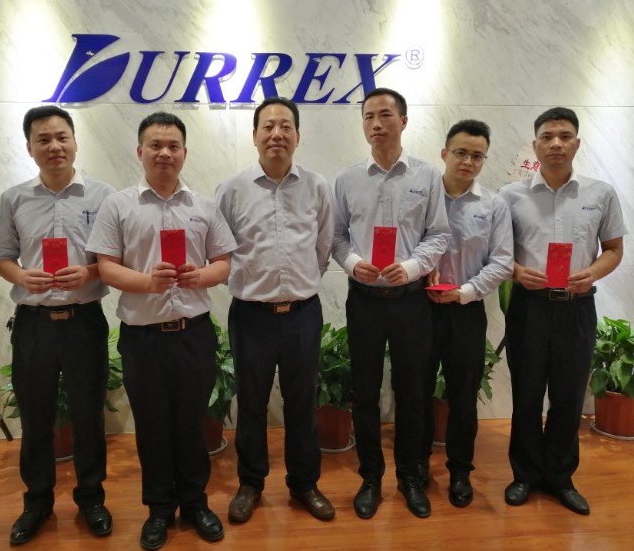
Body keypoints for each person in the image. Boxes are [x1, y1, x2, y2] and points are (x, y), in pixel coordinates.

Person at [86, 112, 236, 550]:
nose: (165, 153)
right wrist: (147, 282)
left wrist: (200, 276)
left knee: (192, 422)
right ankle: (158, 509)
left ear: (185, 153)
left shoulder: (204, 206)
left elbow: (224, 263)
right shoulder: (118, 205)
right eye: (155, 145)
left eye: (173, 146)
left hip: (193, 333)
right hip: (143, 338)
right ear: (140, 151)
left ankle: (195, 503)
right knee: (151, 425)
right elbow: (106, 266)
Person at [0, 106, 116, 544]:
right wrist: (21, 276)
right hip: (34, 323)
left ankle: (91, 498)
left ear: (75, 141)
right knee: (36, 417)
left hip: (85, 321)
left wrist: (90, 272)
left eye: (62, 136)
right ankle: (37, 503)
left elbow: (115, 258)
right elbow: (2, 257)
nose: (54, 146)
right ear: (29, 148)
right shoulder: (13, 199)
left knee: (88, 415)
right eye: (43, 139)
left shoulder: (103, 197)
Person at [499, 107, 626, 515]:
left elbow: (614, 249)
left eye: (565, 136)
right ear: (535, 144)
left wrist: (592, 273)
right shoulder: (510, 195)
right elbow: (497, 253)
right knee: (527, 394)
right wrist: (517, 271)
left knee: (569, 397)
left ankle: (560, 477)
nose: (556, 143)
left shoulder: (600, 193)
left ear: (577, 143)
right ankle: (524, 475)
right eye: (548, 136)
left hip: (577, 308)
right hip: (529, 308)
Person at [215, 97, 335, 523]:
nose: (277, 134)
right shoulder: (232, 189)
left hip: (303, 313)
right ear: (254, 136)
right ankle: (251, 483)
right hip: (251, 316)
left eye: (286, 126)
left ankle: (304, 483)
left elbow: (323, 247)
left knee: (302, 401)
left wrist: (299, 284)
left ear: (298, 135)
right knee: (251, 402)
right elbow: (219, 249)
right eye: (268, 126)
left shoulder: (317, 187)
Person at [332, 87, 450, 519]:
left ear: (403, 121)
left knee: (412, 391)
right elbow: (336, 236)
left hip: (410, 301)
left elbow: (439, 234)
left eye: (385, 115)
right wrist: (352, 263)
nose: (376, 124)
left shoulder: (427, 177)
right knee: (364, 393)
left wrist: (414, 266)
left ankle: (410, 477)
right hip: (364, 300)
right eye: (368, 116)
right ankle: (370, 478)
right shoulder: (346, 179)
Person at [420, 120, 514, 507]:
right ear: (445, 153)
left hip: (466, 311)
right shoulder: (423, 198)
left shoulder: (493, 205)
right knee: (417, 392)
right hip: (421, 310)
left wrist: (464, 292)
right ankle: (417, 466)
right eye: (460, 152)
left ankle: (460, 471)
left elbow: (502, 261)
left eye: (477, 156)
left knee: (462, 397)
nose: (468, 161)